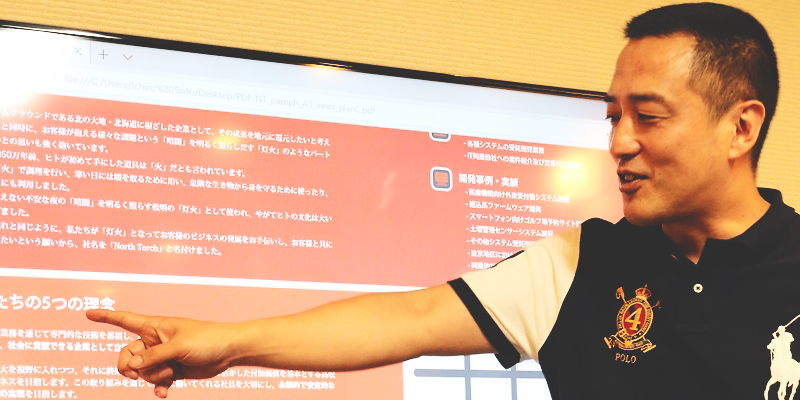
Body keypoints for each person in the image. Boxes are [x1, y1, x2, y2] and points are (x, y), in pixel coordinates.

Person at [87, 2, 800, 399]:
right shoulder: (581, 263)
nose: (618, 143)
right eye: (613, 116)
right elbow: (412, 317)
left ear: (741, 127)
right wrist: (229, 343)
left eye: (648, 116)